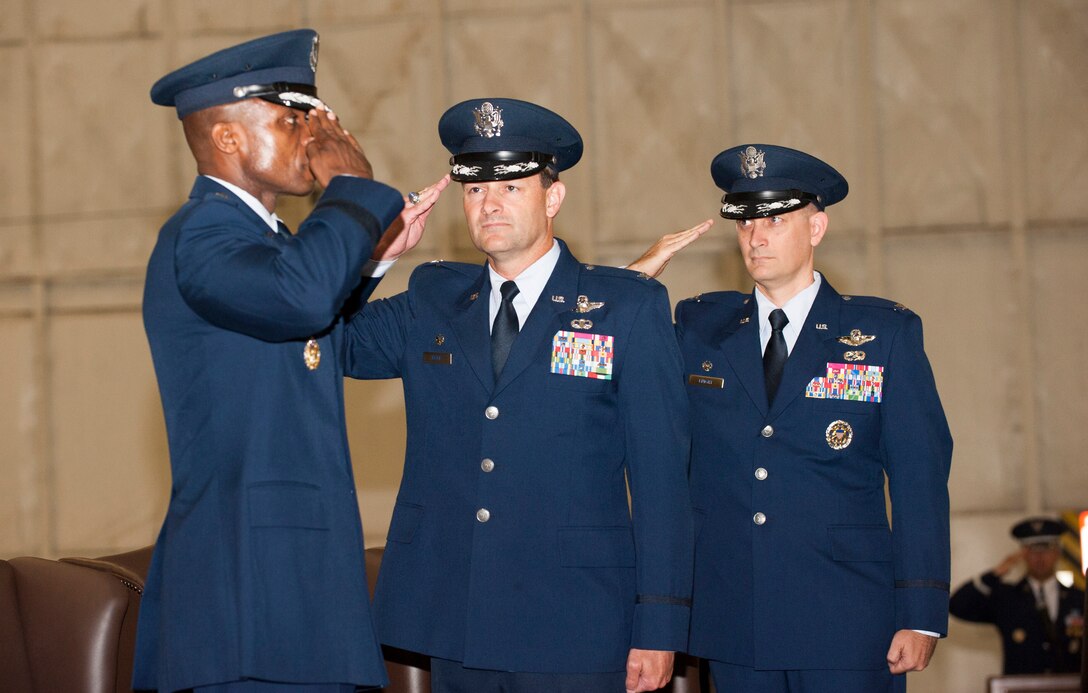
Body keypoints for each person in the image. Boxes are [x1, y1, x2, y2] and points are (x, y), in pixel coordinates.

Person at [344, 98, 694, 693]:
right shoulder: (434, 297)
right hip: (459, 616)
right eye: (476, 190)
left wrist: (659, 624)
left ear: (552, 199)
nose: (491, 204)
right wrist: (379, 258)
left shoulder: (626, 308)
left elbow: (662, 478)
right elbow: (336, 346)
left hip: (577, 621)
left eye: (510, 187)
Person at [135, 29, 446, 693]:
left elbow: (323, 332)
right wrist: (354, 189)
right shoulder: (201, 234)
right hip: (245, 604)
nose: (312, 141)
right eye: (289, 121)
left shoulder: (266, 243)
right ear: (228, 140)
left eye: (314, 123)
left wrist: (374, 253)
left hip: (302, 599)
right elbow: (302, 299)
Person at [629, 144, 953, 692]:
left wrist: (920, 611)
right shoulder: (700, 328)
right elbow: (601, 362)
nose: (757, 237)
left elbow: (920, 477)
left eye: (776, 220)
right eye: (746, 222)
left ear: (817, 227)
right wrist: (634, 283)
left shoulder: (882, 336)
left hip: (848, 617)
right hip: (734, 616)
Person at [950, 517, 1085, 674]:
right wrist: (995, 574)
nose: (1040, 557)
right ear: (1023, 554)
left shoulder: (1078, 599)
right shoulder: (1008, 598)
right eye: (1032, 550)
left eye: (1046, 548)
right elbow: (958, 606)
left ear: (1058, 552)